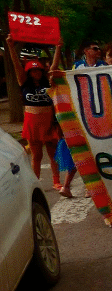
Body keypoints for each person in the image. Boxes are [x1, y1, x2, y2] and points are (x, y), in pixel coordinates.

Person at [7, 35, 62, 190]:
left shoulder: (48, 82)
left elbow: (55, 66)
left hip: (49, 122)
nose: (36, 72)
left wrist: (58, 47)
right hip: (32, 124)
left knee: (53, 154)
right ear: (28, 72)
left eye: (38, 69)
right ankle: (35, 182)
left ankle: (56, 181)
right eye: (32, 70)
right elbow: (16, 64)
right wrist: (11, 46)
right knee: (36, 156)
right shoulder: (23, 83)